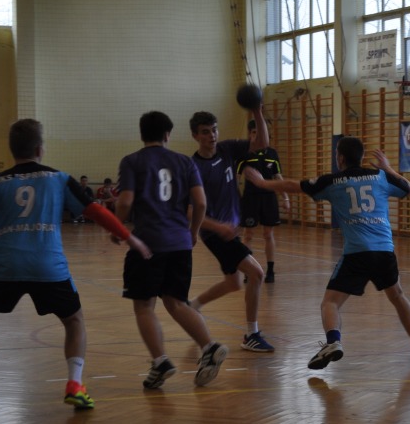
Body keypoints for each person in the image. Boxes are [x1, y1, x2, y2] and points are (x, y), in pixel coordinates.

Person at [0, 119, 151, 409]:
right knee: (74, 321)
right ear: (40, 149)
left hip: (4, 269)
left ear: (12, 149)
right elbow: (94, 211)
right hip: (48, 268)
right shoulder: (59, 178)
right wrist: (129, 237)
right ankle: (75, 385)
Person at [252, 137, 410, 368]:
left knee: (330, 303)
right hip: (384, 251)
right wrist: (388, 168)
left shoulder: (332, 181)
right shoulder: (380, 177)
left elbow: (293, 186)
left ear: (341, 158)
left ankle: (333, 342)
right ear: (361, 156)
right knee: (397, 296)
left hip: (357, 253)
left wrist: (262, 183)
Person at [115, 111, 230, 388]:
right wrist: (193, 232)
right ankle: (209, 346)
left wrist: (117, 227)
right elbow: (200, 203)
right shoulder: (184, 162)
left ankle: (160, 361)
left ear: (142, 134)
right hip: (179, 243)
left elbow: (126, 201)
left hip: (148, 244)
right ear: (167, 134)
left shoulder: (132, 161)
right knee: (176, 302)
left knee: (144, 306)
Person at [186, 108, 276, 353]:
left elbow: (263, 143)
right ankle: (251, 335)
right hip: (216, 234)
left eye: (214, 130)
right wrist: (218, 226)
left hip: (229, 230)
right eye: (205, 132)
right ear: (195, 136)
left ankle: (192, 306)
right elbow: (190, 212)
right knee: (256, 274)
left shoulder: (227, 149)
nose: (212, 136)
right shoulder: (193, 167)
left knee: (233, 282)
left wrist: (257, 111)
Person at [239, 118, 290, 282]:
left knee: (268, 234)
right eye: (255, 132)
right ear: (250, 134)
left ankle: (271, 271)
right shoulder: (244, 153)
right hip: (250, 198)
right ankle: (248, 270)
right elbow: (236, 179)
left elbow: (278, 177)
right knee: (248, 234)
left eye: (261, 132)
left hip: (268, 198)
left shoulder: (272, 154)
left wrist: (285, 197)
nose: (258, 135)